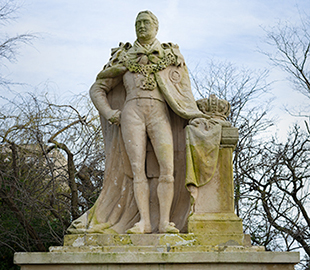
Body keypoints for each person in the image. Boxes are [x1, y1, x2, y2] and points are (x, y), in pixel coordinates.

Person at [68, 10, 211, 235]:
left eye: (146, 22)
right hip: (131, 113)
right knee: (137, 171)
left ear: (156, 27)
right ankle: (144, 222)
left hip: (159, 113)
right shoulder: (123, 58)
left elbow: (184, 95)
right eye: (138, 23)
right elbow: (98, 88)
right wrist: (109, 113)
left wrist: (197, 115)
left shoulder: (169, 57)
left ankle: (164, 222)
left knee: (168, 169)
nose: (141, 26)